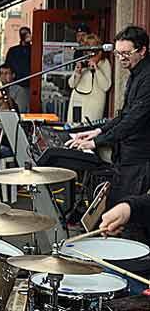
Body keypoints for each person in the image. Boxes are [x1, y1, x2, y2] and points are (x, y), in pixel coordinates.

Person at [67, 26, 150, 239]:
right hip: (127, 158)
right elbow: (124, 115)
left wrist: (97, 142)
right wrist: (96, 132)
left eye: (126, 53)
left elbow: (134, 120)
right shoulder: (135, 74)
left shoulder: (147, 77)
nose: (121, 58)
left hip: (140, 160)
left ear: (142, 51)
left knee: (132, 225)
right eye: (118, 53)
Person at [66, 33, 112, 123]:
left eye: (92, 47)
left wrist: (96, 69)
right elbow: (71, 85)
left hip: (93, 103)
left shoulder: (104, 63)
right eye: (87, 47)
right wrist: (77, 72)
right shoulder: (83, 60)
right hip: (77, 100)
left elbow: (106, 86)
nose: (90, 52)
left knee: (89, 129)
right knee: (75, 126)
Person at [5, 26, 32, 92]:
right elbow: (7, 66)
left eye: (27, 34)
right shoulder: (13, 51)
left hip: (31, 82)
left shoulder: (34, 50)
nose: (26, 36)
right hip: (16, 82)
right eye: (23, 34)